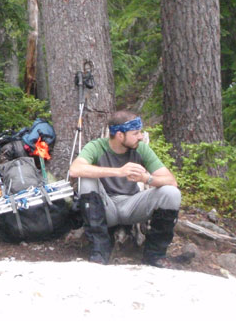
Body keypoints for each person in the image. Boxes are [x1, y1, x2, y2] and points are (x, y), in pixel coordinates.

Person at [68, 110, 181, 267]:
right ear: (120, 135)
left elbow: (171, 181)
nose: (140, 136)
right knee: (86, 179)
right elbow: (74, 169)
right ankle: (99, 251)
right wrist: (119, 172)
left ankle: (155, 255)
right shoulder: (97, 146)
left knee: (171, 193)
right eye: (135, 133)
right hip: (106, 207)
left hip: (132, 205)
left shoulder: (141, 149)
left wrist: (146, 178)